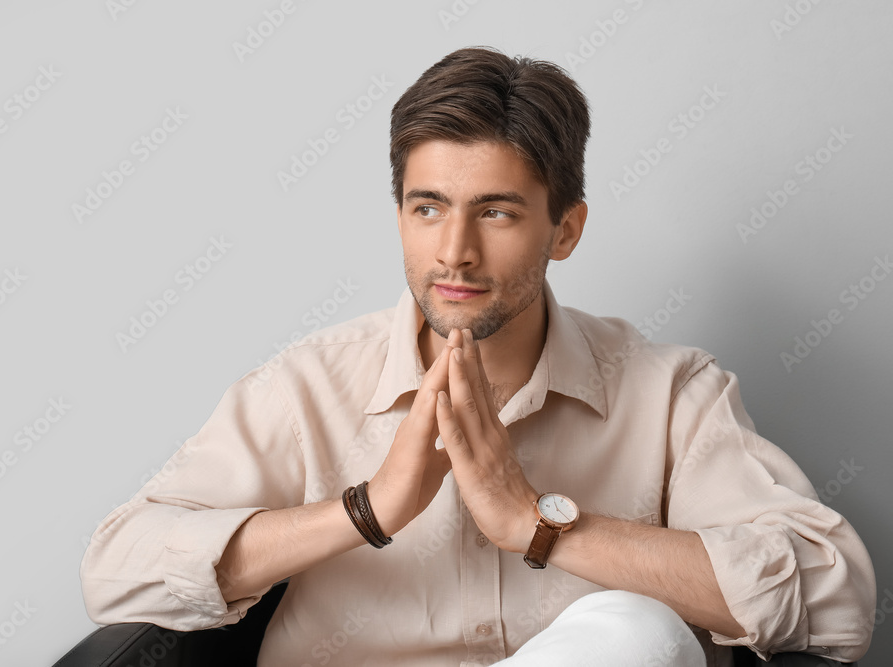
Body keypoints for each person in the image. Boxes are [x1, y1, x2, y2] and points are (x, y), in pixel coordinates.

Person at [80, 47, 876, 666]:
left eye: (495, 212)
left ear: (565, 229)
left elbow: (837, 596)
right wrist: (368, 508)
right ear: (399, 216)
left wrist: (542, 526)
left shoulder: (671, 393)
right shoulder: (306, 387)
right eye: (429, 208)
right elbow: (117, 567)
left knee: (635, 628)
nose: (454, 252)